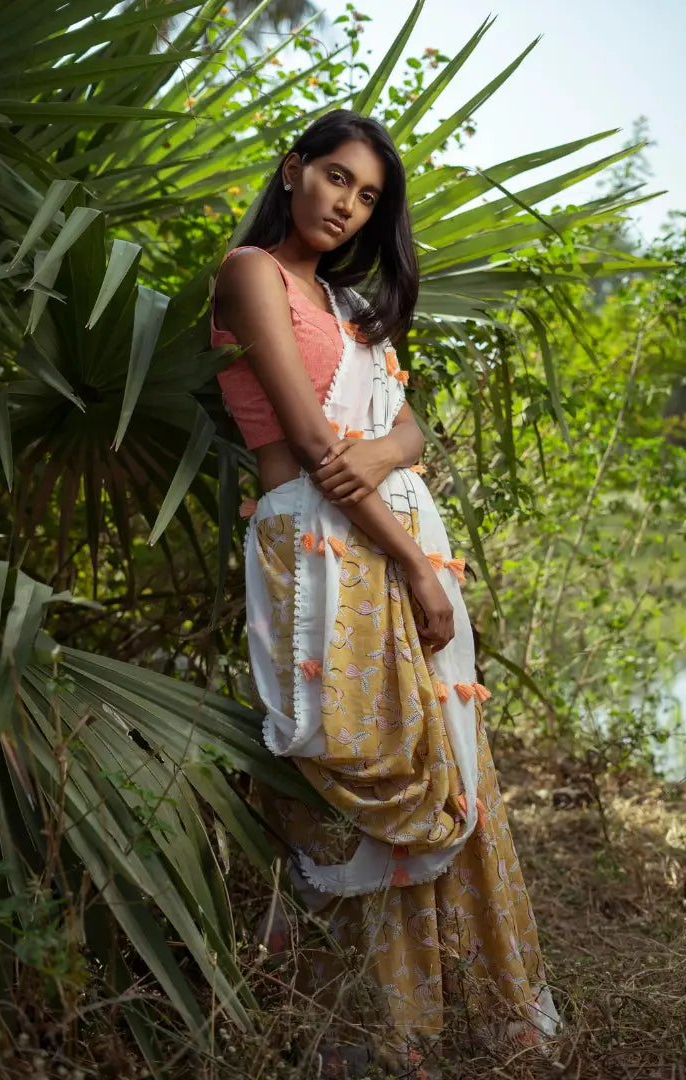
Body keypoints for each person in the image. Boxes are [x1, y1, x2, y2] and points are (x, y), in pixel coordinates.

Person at [210, 109, 561, 1076]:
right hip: (319, 548)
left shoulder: (354, 309)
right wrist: (409, 560)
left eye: (366, 197)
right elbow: (310, 444)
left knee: (442, 758)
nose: (347, 205)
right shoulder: (254, 276)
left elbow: (408, 436)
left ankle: (452, 1008)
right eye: (335, 178)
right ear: (293, 172)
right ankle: (353, 1024)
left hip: (386, 531)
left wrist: (382, 468)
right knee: (356, 757)